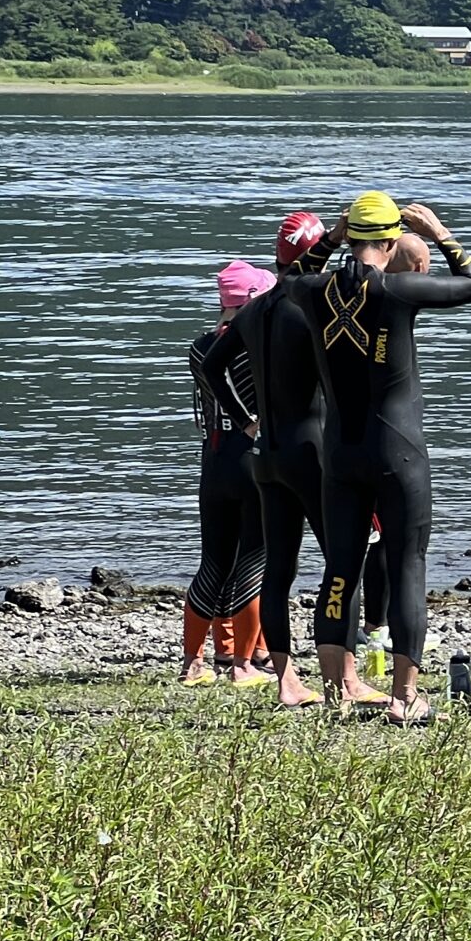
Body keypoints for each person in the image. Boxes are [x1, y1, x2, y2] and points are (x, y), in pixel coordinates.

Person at [295, 192, 471, 725]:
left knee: (340, 567)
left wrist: (330, 239)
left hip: (341, 451)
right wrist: (442, 235)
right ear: (390, 240)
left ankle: (338, 692)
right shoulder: (398, 289)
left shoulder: (314, 290)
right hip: (396, 449)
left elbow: (291, 273)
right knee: (407, 564)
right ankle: (404, 696)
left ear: (350, 235)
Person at [197, 211, 385, 707]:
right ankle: (345, 676)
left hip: (267, 454)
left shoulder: (259, 307)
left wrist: (244, 421)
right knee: (345, 562)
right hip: (313, 450)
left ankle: (285, 680)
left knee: (278, 567)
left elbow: (213, 366)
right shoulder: (318, 308)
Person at [182, 262, 276, 689]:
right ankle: (243, 665)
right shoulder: (258, 344)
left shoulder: (200, 346)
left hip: (214, 458)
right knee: (254, 562)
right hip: (250, 455)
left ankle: (193, 663)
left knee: (213, 562)